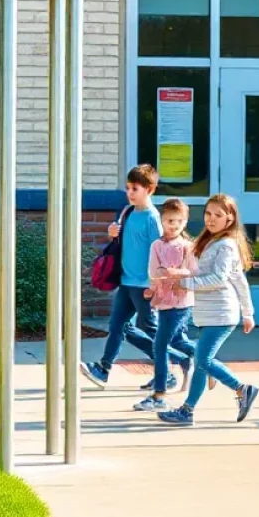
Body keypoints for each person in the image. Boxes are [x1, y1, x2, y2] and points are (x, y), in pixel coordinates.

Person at [157, 193, 259, 427]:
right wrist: (179, 275)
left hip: (222, 313)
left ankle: (242, 389)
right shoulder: (208, 241)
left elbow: (218, 279)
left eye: (218, 215)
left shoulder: (226, 245)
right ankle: (187, 411)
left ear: (230, 219)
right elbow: (237, 280)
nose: (211, 219)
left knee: (203, 359)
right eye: (208, 213)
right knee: (203, 363)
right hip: (209, 313)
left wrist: (184, 283)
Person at [80, 164, 186, 388]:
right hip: (126, 282)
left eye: (134, 188)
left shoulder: (152, 218)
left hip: (144, 285)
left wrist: (156, 285)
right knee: (118, 325)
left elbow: (160, 253)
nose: (129, 193)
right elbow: (123, 242)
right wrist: (112, 233)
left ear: (149, 189)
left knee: (151, 330)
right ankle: (103, 369)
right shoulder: (127, 212)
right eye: (127, 188)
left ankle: (177, 363)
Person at [133, 198, 198, 412]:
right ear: (162, 220)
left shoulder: (188, 247)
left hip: (181, 303)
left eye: (179, 221)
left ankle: (159, 395)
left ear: (185, 222)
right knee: (178, 340)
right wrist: (152, 289)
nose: (174, 224)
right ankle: (203, 356)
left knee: (159, 345)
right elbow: (154, 272)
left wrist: (174, 273)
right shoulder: (157, 246)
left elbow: (194, 272)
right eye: (170, 220)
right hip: (163, 303)